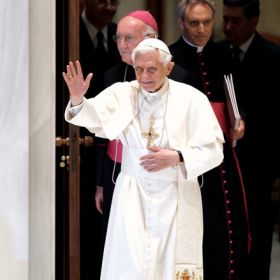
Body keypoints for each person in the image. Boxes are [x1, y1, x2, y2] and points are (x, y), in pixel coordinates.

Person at [63, 38, 224, 279]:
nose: (144, 76)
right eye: (139, 69)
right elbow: (92, 116)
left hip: (175, 195)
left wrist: (178, 157)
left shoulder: (192, 99)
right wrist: (77, 98)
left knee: (168, 266)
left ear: (168, 68)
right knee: (129, 264)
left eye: (152, 69)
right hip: (132, 195)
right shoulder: (123, 93)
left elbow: (214, 151)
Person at [94, 10, 198, 243]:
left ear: (152, 38)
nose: (121, 44)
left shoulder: (178, 77)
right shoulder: (112, 76)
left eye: (129, 38)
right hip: (118, 176)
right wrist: (100, 183)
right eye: (118, 38)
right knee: (120, 242)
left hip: (162, 182)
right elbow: (102, 137)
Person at [169, 1, 250, 279]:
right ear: (181, 23)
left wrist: (240, 122)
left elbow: (238, 100)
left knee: (224, 227)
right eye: (194, 23)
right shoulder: (170, 57)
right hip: (187, 158)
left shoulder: (224, 54)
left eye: (207, 22)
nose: (202, 29)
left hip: (223, 154)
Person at [218, 0, 280, 279]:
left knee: (258, 247)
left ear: (254, 20)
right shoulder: (215, 53)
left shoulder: (274, 57)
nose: (228, 27)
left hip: (259, 167)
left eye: (236, 21)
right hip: (221, 166)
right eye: (225, 19)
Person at [79, 0, 121, 278]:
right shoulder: (70, 35)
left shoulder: (120, 36)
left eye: (114, 1)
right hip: (78, 143)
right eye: (102, 0)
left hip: (114, 146)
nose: (108, 7)